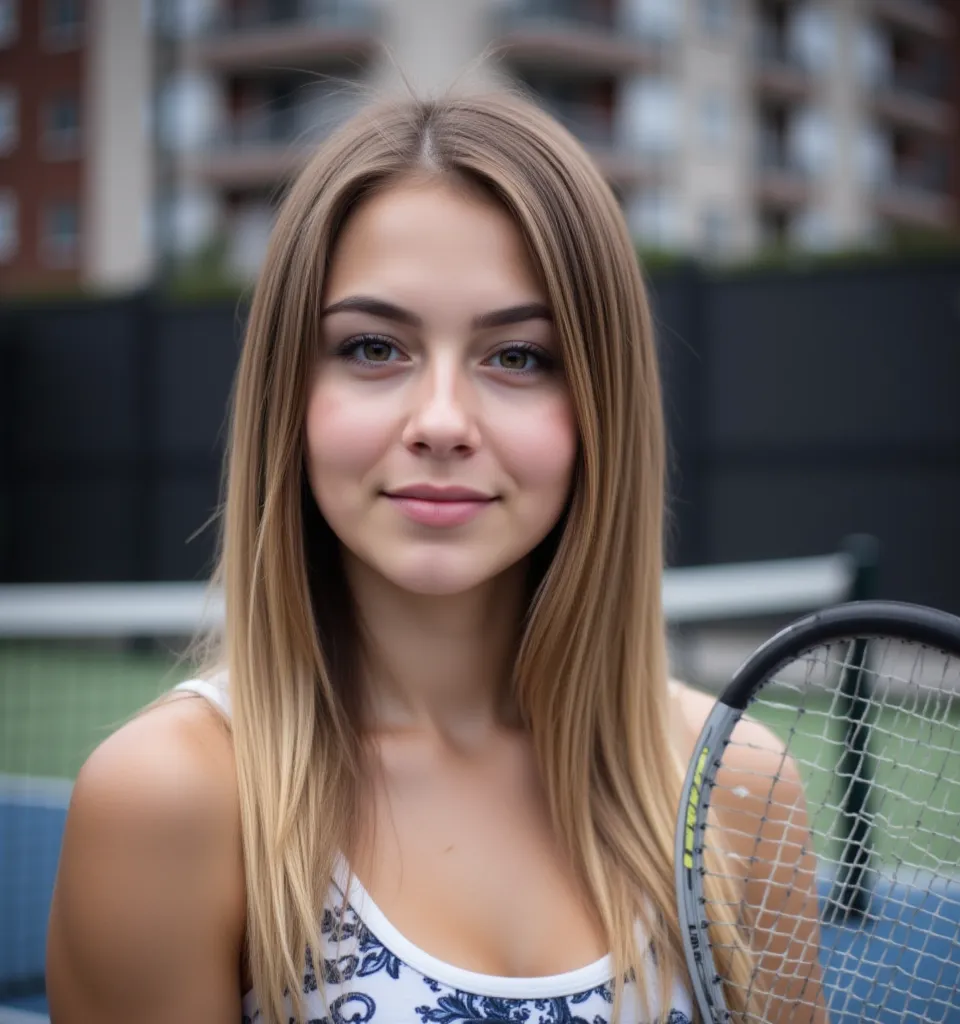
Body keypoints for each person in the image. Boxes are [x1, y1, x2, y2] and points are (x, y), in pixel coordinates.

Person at [45, 91, 824, 1024]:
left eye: (519, 356)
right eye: (374, 347)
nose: (443, 422)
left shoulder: (736, 786)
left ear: (601, 406)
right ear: (288, 393)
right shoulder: (172, 801)